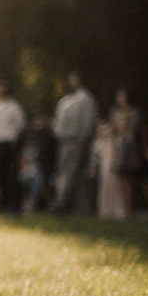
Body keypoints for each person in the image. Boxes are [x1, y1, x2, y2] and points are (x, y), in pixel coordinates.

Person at [51, 72, 97, 214]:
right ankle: (71, 205)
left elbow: (88, 121)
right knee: (67, 172)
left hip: (76, 141)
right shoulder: (65, 101)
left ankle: (62, 203)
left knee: (71, 173)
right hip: (64, 141)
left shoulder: (86, 99)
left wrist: (82, 140)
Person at [0, 79, 27, 213]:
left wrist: (13, 135)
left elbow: (20, 124)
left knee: (12, 175)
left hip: (10, 143)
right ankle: (2, 202)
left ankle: (15, 204)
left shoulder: (15, 107)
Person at [111, 88, 145, 215]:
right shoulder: (115, 113)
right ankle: (124, 207)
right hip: (119, 149)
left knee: (130, 179)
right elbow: (113, 130)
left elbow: (136, 131)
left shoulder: (134, 113)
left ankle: (131, 208)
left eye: (122, 96)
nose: (120, 98)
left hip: (131, 149)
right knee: (121, 179)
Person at [93, 119, 128, 218]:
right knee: (104, 188)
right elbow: (97, 152)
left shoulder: (115, 141)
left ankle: (117, 210)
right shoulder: (101, 141)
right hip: (104, 167)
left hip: (112, 167)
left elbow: (118, 153)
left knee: (115, 188)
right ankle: (105, 210)